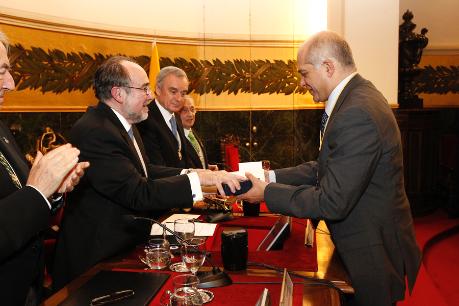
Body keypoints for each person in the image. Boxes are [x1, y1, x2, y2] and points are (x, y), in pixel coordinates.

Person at [239, 31, 421, 306]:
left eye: (304, 73)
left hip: (370, 252)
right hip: (366, 240)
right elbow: (325, 168)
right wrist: (270, 176)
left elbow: (333, 200)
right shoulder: (357, 97)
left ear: (328, 67)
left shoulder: (356, 112)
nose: (301, 83)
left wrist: (267, 193)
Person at [52, 56, 242, 290]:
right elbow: (137, 192)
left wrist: (195, 172)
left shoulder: (120, 123)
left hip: (120, 249)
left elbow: (145, 171)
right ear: (118, 93)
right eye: (143, 88)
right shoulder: (97, 131)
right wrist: (198, 180)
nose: (150, 96)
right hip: (95, 260)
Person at [0, 31, 89, 305]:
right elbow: (28, 196)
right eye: (1, 71)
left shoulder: (1, 128)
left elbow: (22, 196)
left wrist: (53, 190)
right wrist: (38, 191)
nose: (11, 83)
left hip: (27, 286)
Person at [137, 66, 193, 168]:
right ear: (158, 89)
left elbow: (182, 158)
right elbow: (156, 168)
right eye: (173, 92)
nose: (179, 99)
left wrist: (201, 175)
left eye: (183, 93)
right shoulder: (146, 119)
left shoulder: (176, 116)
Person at [179, 95, 217, 170]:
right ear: (176, 113)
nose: (190, 114)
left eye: (192, 109)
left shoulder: (192, 133)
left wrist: (206, 167)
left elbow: (196, 159)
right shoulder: (176, 138)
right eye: (185, 110)